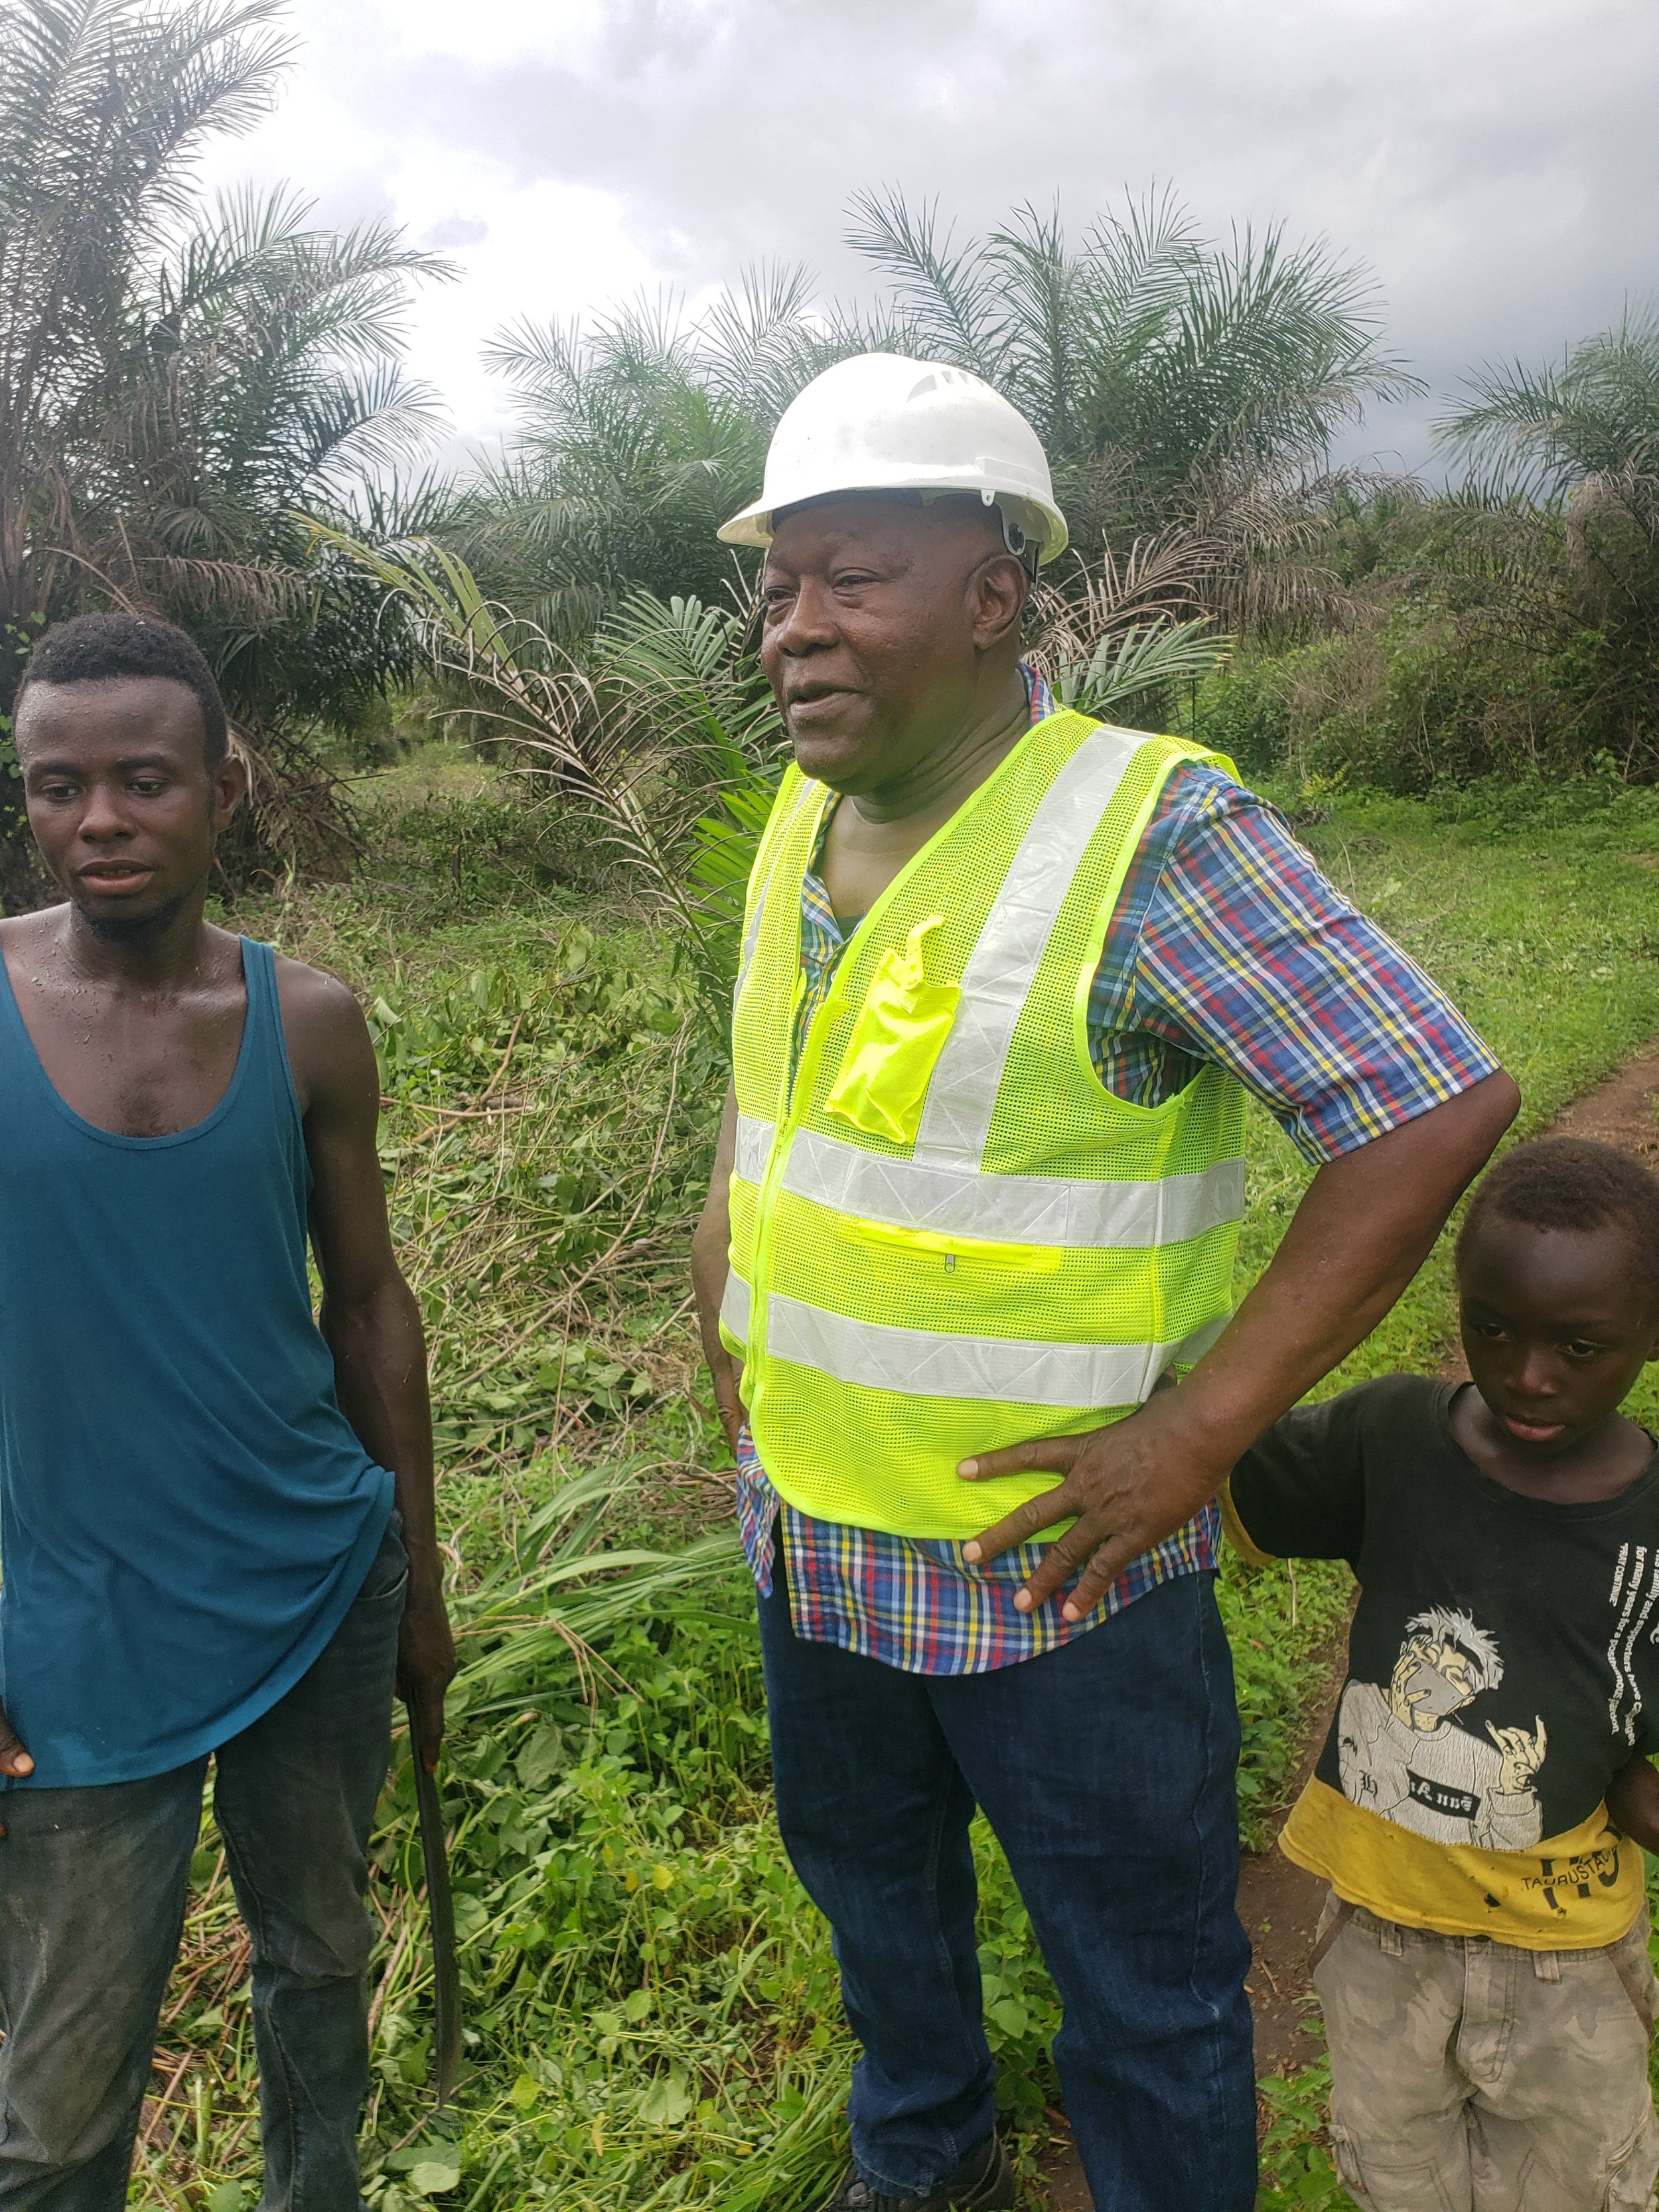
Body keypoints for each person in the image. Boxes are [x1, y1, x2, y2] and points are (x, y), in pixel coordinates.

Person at [689, 352, 1520, 2212]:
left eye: (851, 576)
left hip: (1063, 1581)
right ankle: (922, 2166)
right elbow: (795, 1089)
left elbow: (1426, 1098)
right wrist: (726, 1240)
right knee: (875, 1911)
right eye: (775, 584)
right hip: (811, 1526)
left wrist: (1205, 1427)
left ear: (995, 590)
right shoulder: (799, 814)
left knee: (1140, 1988)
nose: (792, 631)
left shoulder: (1146, 833)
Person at [0, 613, 455, 2209]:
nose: (99, 820)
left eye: (142, 780)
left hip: (315, 1582)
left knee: (319, 1966)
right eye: (59, 786)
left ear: (227, 788)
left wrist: (419, 1569)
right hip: (69, 1621)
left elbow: (370, 1302)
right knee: (54, 2103)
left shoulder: (308, 1020)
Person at [1224, 1135, 1659, 2211]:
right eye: (1494, 1326)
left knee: (1580, 2180)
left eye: (1582, 1345)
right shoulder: (1391, 1439)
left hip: (1569, 1954)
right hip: (1382, 1929)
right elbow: (1236, 1455)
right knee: (1398, 2170)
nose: (1527, 1372)